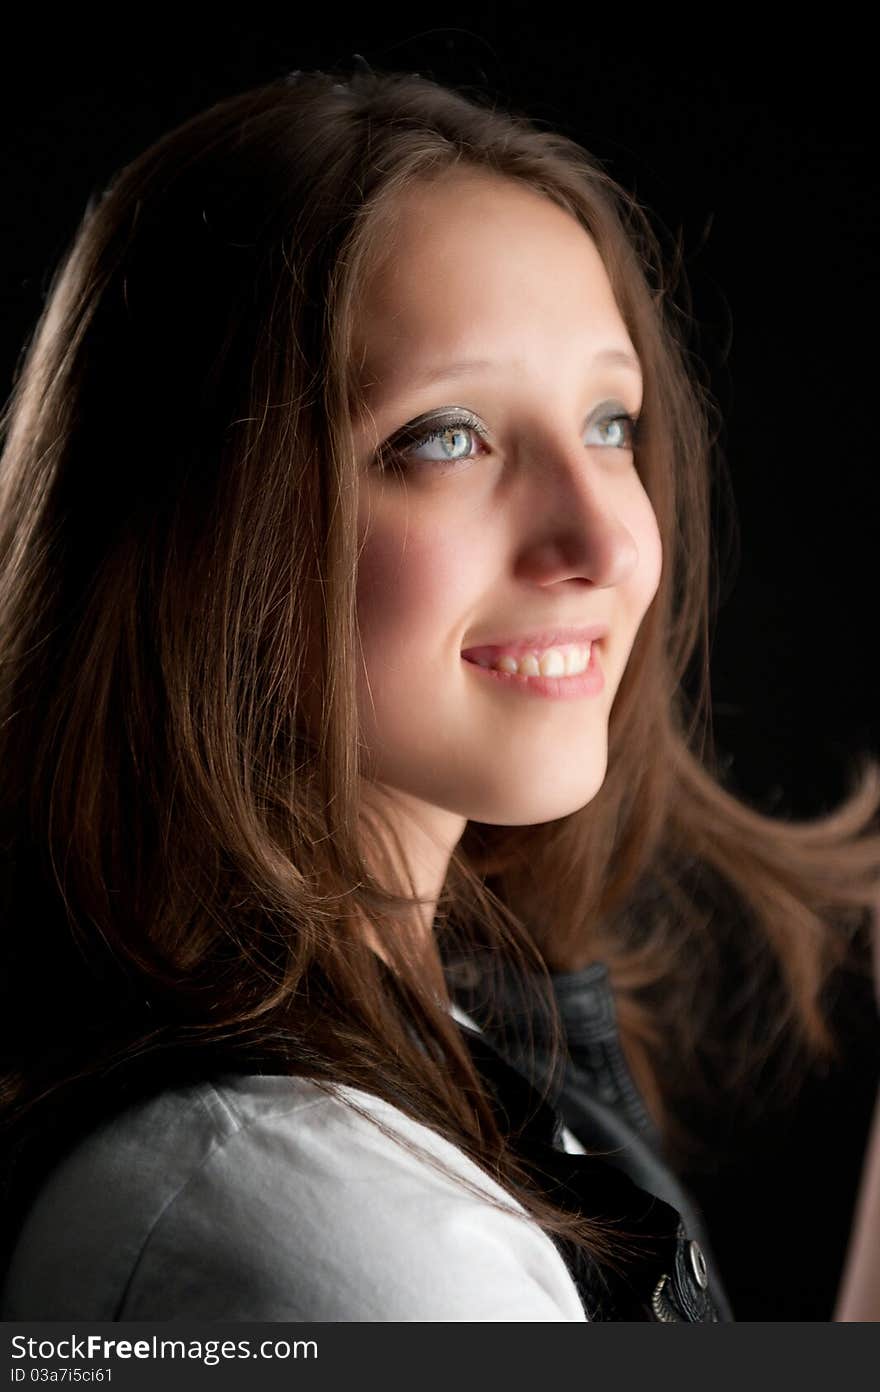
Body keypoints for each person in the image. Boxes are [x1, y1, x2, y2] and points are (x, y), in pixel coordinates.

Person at [0, 64, 878, 1323]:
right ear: (200, 531)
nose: (604, 542)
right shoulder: (304, 1213)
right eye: (446, 436)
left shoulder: (427, 1048)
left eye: (610, 424)